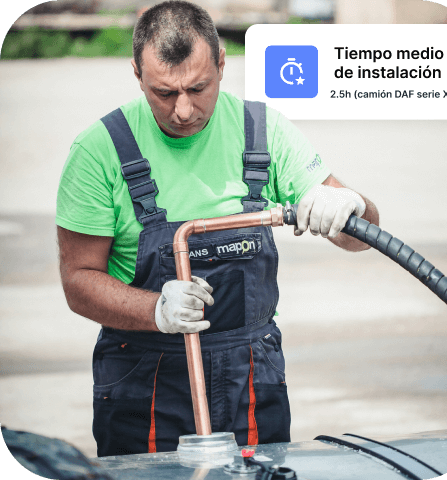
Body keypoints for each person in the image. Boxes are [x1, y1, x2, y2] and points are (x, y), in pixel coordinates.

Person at [56, 1, 379, 457]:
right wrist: (156, 310)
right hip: (145, 384)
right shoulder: (99, 151)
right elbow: (78, 281)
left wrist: (350, 207)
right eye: (163, 93)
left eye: (197, 88)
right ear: (136, 74)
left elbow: (364, 234)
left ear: (222, 63)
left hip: (251, 376)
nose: (183, 110)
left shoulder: (262, 132)